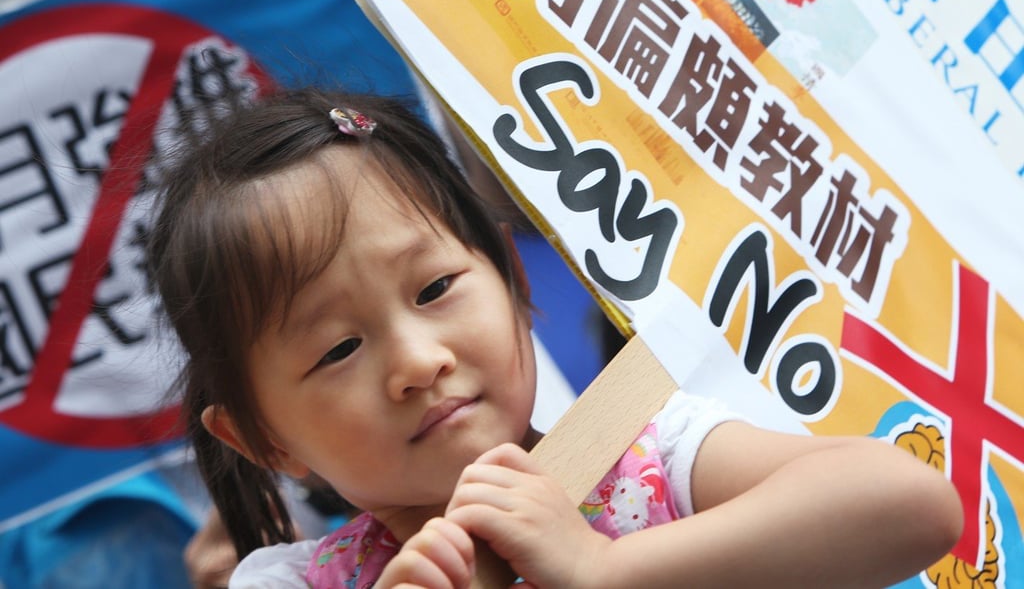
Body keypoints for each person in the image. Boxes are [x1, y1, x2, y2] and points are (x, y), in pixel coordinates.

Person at [147, 87, 962, 588]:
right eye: (337, 349)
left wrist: (607, 569)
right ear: (259, 437)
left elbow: (913, 503)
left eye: (435, 289)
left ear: (514, 279)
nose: (418, 361)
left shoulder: (651, 456)